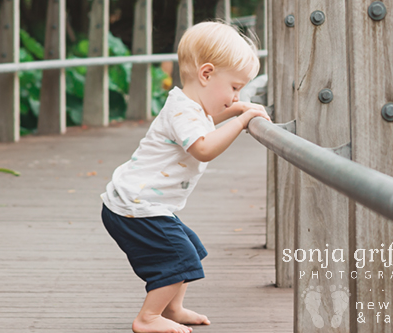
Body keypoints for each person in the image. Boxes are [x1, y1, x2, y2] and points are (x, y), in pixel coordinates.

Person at [99, 21, 269, 333]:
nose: (236, 96)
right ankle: (147, 318)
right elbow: (203, 147)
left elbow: (204, 123)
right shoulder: (183, 112)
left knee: (189, 247)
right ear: (206, 74)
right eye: (234, 87)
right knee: (179, 258)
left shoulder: (188, 107)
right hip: (135, 207)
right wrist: (242, 120)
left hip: (141, 204)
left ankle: (172, 309)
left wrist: (233, 111)